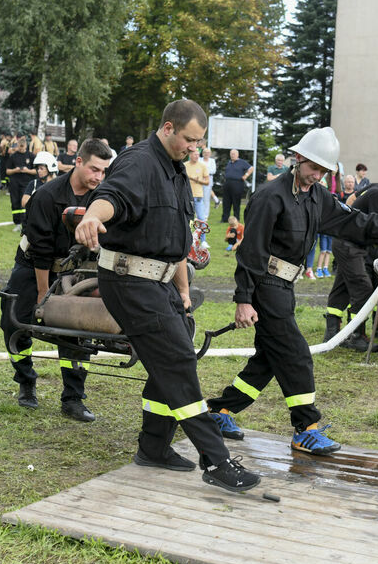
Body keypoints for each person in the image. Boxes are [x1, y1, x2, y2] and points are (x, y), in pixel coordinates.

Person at [74, 99, 260, 493]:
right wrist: (93, 216)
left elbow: (174, 239)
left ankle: (154, 447)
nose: (193, 149)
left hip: (160, 281)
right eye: (189, 140)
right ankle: (217, 461)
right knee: (176, 359)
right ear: (168, 128)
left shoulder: (174, 169)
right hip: (129, 281)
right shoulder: (139, 162)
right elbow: (113, 197)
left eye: (198, 143)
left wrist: (182, 290)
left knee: (173, 355)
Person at [207, 127, 378, 451]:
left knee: (270, 358)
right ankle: (306, 427)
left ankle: (220, 410)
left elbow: (350, 220)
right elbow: (251, 252)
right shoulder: (269, 196)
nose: (317, 175)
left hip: (286, 286)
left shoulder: (318, 197)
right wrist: (244, 299)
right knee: (296, 354)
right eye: (313, 167)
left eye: (324, 170)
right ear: (298, 158)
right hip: (265, 284)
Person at [2, 139, 113, 421]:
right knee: (14, 323)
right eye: (94, 169)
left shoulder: (100, 198)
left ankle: (73, 398)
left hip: (73, 271)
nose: (98, 177)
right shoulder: (47, 196)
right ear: (78, 161)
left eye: (103, 171)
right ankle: (26, 380)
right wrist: (43, 295)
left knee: (78, 330)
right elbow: (40, 251)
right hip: (32, 267)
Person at [324, 173, 378, 346]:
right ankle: (357, 336)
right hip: (348, 244)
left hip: (354, 246)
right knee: (363, 287)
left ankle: (331, 334)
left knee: (342, 288)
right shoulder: (377, 194)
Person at [5, 136, 36, 229]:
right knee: (15, 202)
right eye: (20, 146)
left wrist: (27, 170)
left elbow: (36, 171)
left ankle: (25, 222)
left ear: (26, 145)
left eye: (23, 146)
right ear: (17, 145)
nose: (21, 148)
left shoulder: (31, 156)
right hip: (15, 183)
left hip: (27, 183)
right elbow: (7, 171)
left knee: (25, 203)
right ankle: (17, 223)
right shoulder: (13, 156)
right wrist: (15, 170)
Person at [185, 148, 210, 246]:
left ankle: (203, 240)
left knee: (201, 218)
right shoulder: (185, 165)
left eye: (198, 154)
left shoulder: (202, 166)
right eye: (195, 154)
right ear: (190, 155)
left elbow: (207, 182)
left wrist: (198, 180)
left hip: (198, 196)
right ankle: (188, 238)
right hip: (187, 196)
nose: (196, 156)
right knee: (189, 219)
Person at [221, 149, 253, 222]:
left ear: (237, 155)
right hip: (227, 183)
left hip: (237, 184)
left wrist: (246, 175)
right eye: (231, 154)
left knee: (236, 202)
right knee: (226, 202)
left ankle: (236, 219)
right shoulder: (229, 162)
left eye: (234, 154)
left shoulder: (242, 162)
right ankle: (225, 219)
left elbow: (251, 168)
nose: (232, 155)